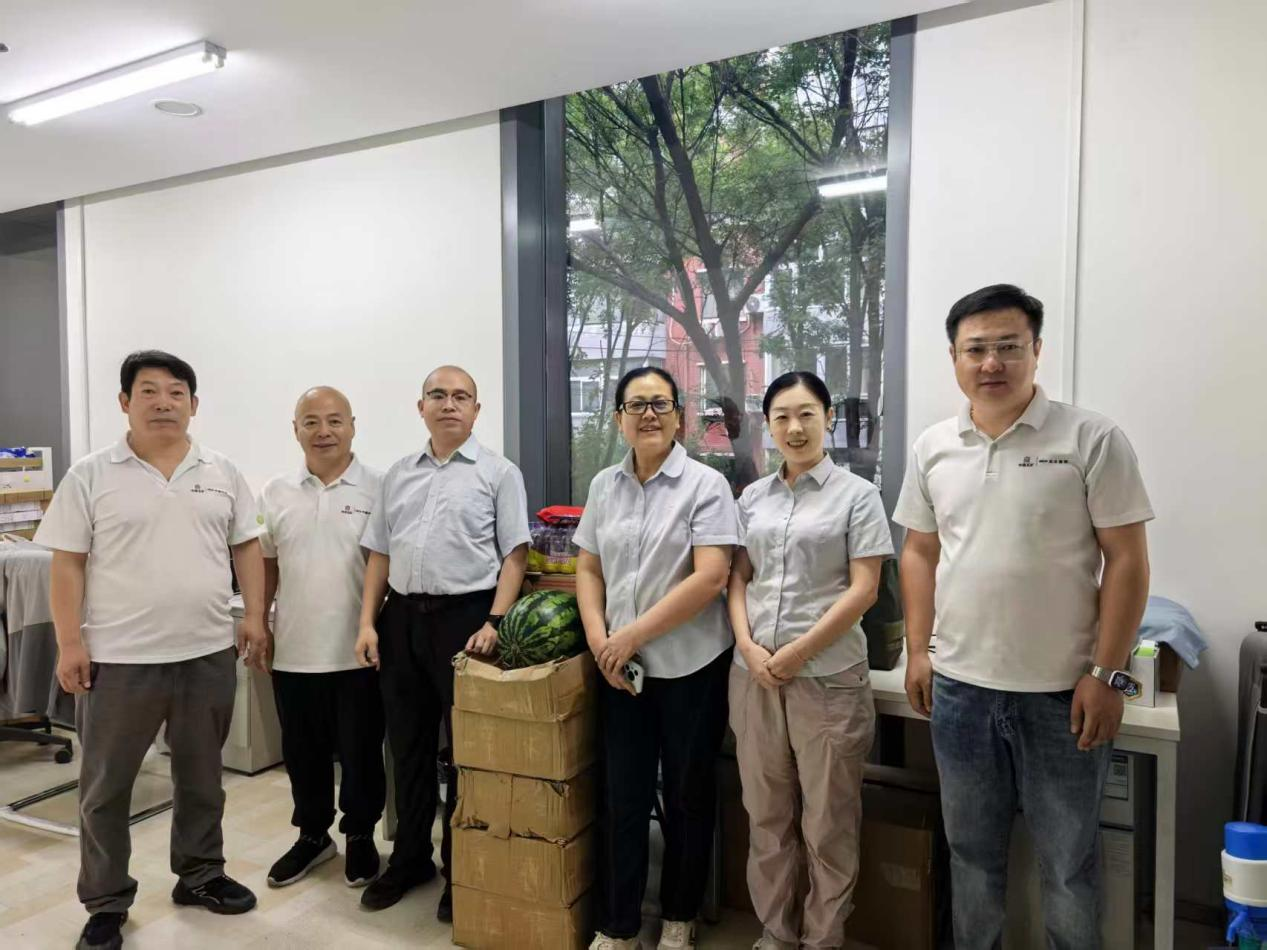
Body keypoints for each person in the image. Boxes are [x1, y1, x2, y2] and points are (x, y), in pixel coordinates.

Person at [894, 284, 1153, 949]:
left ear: (1036, 350)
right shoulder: (933, 447)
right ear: (953, 357)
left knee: (1067, 866)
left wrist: (1107, 673)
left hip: (1063, 695)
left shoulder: (1090, 438)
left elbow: (1126, 560)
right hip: (959, 691)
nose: (991, 363)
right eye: (975, 349)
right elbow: (918, 552)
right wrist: (918, 651)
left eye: (1008, 346)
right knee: (970, 857)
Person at [37, 351, 266, 950]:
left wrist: (254, 617)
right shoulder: (90, 474)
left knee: (202, 779)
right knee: (106, 789)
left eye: (176, 392)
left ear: (194, 404)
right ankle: (106, 901)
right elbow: (68, 563)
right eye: (148, 391)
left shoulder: (222, 470)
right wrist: (69, 642)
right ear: (125, 402)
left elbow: (246, 546)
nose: (164, 402)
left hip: (206, 653)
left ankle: (201, 874)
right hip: (119, 659)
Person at [354, 365, 531, 922]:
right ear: (421, 407)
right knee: (406, 747)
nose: (448, 404)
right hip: (401, 620)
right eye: (438, 395)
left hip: (467, 623)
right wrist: (367, 623)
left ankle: (461, 869)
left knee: (466, 754)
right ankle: (410, 860)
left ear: (476, 410)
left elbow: (515, 555)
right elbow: (379, 553)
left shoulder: (499, 473)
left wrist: (495, 621)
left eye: (460, 396)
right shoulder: (398, 474)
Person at [728, 371, 893, 950]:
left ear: (828, 419)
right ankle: (775, 933)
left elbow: (864, 589)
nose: (794, 428)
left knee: (829, 822)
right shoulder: (752, 498)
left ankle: (823, 938)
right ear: (768, 425)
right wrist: (748, 646)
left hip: (827, 680)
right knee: (766, 816)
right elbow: (738, 579)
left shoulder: (858, 495)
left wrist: (797, 651)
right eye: (781, 417)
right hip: (754, 678)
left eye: (806, 414)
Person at [574, 367, 738, 950]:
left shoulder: (705, 485)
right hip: (620, 670)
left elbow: (711, 577)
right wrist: (601, 640)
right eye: (636, 404)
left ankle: (678, 916)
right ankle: (618, 923)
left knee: (688, 796)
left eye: (660, 404)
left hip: (691, 667)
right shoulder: (604, 486)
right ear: (618, 417)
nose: (649, 414)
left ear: (679, 418)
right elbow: (588, 566)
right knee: (623, 796)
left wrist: (630, 637)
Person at [257, 387, 387, 890]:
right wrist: (258, 620)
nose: (324, 431)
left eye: (335, 420)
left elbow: (385, 565)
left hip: (359, 651)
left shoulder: (379, 487)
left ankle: (360, 834)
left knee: (361, 752)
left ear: (353, 426)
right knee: (302, 752)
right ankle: (313, 835)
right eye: (311, 421)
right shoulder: (276, 491)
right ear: (296, 430)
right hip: (294, 648)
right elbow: (267, 562)